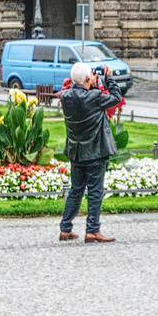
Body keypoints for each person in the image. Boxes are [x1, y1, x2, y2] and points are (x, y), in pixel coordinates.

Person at [59, 61, 123, 243]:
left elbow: (77, 90)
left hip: (76, 151)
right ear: (88, 78)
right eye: (92, 76)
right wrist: (108, 78)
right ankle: (92, 230)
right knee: (95, 191)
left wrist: (90, 82)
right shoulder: (94, 97)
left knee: (75, 190)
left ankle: (65, 228)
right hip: (94, 152)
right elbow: (116, 97)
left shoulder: (65, 96)